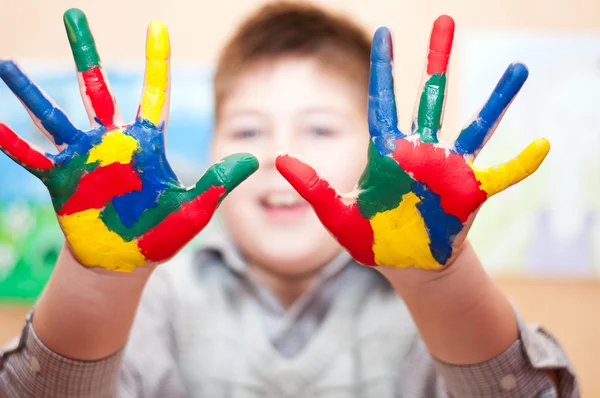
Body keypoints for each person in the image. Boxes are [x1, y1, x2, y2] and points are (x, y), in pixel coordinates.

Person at [0, 2, 578, 397]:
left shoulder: (421, 306)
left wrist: (437, 279)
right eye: (249, 132)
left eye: (320, 130)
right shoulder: (163, 295)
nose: (280, 158)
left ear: (381, 151)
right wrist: (100, 279)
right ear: (210, 156)